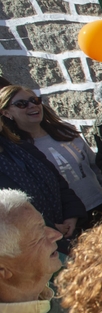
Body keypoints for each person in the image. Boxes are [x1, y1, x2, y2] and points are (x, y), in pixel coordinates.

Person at [0, 85, 102, 227]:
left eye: (35, 100)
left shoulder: (66, 132)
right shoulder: (20, 152)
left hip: (100, 204)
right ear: (6, 113)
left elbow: (95, 165)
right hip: (67, 222)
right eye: (22, 104)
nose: (32, 105)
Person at [0, 98, 84, 244]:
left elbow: (59, 184)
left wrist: (71, 216)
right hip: (32, 245)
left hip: (69, 232)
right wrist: (47, 227)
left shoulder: (21, 147)